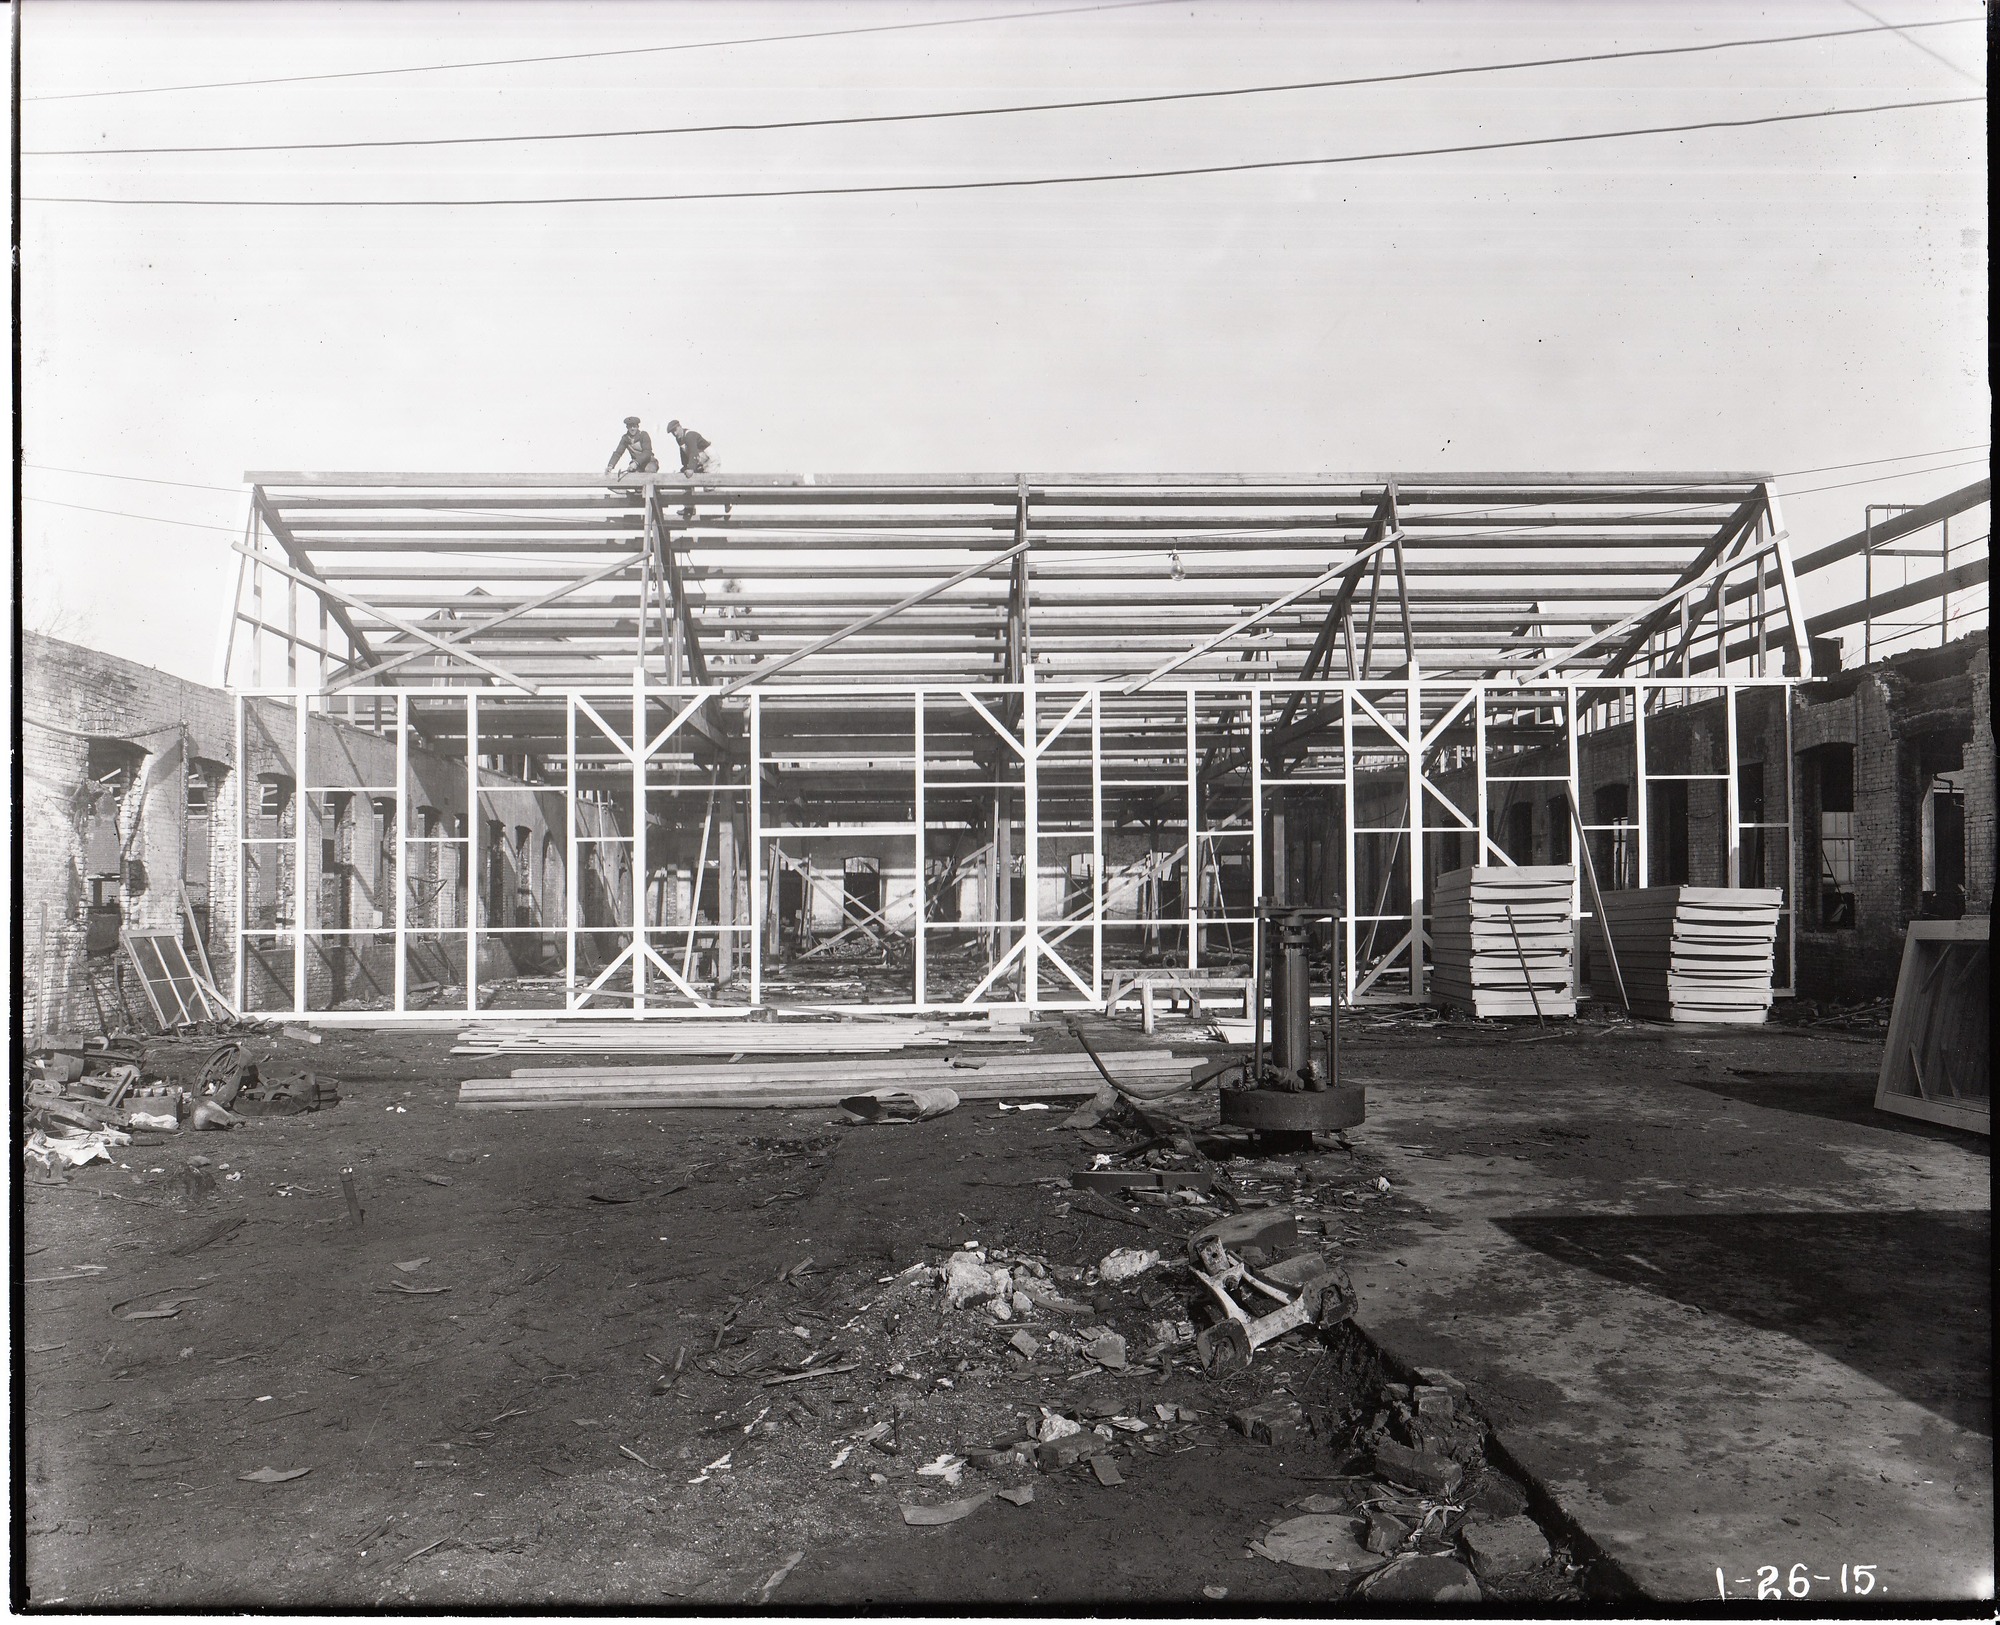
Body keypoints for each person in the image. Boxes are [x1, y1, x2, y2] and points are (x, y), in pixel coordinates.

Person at [665, 419, 726, 519]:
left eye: (675, 430)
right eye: (672, 432)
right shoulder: (679, 439)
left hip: (710, 459)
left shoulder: (690, 435)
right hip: (700, 460)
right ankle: (689, 508)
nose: (675, 433)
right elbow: (684, 455)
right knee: (685, 478)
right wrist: (685, 467)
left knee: (709, 488)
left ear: (680, 426)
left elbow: (693, 452)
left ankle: (727, 500)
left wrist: (691, 469)